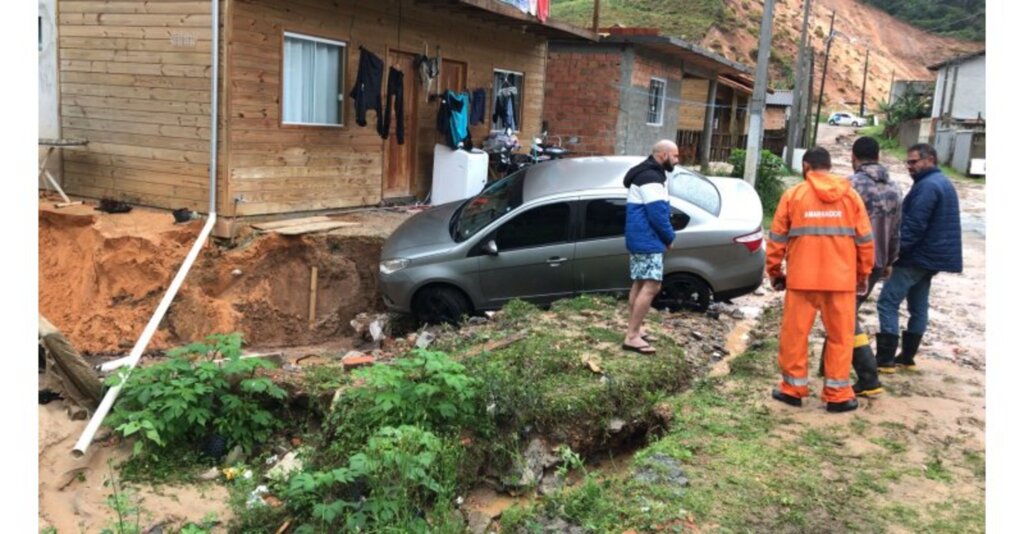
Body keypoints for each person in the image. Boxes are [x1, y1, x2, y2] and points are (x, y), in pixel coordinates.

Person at [766, 147, 874, 413]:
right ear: (829, 166)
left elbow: (777, 239)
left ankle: (792, 389)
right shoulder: (851, 196)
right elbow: (865, 241)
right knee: (840, 337)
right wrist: (862, 274)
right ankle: (838, 394)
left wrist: (775, 273)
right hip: (840, 281)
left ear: (806, 166)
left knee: (795, 335)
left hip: (802, 280)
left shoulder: (794, 195)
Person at [818, 136, 902, 395]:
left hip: (849, 262)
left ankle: (868, 376)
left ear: (853, 158)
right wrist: (889, 261)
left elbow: (833, 227)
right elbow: (897, 230)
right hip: (877, 262)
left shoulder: (848, 186)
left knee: (845, 316)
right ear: (878, 156)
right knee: (841, 311)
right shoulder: (895, 188)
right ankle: (828, 365)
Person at [875, 143, 962, 371]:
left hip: (915, 257)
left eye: (914, 162)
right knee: (918, 305)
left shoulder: (927, 187)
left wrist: (892, 254)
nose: (909, 166)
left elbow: (913, 227)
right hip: (930, 258)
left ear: (930, 159)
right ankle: (907, 356)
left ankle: (885, 359)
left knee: (887, 302)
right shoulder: (940, 182)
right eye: (908, 162)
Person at [622, 140, 679, 355]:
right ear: (663, 155)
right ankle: (632, 336)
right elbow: (657, 214)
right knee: (652, 286)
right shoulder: (651, 178)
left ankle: (635, 329)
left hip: (639, 237)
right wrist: (669, 237)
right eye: (675, 156)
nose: (677, 160)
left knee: (639, 283)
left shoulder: (646, 173)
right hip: (648, 239)